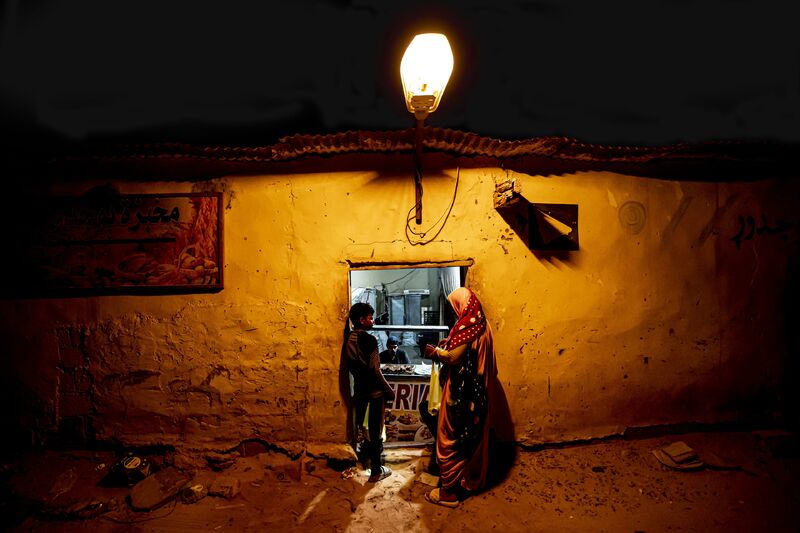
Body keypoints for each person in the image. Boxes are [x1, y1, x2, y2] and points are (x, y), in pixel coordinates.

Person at [421, 287, 496, 507]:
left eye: (455, 306)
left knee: (450, 438)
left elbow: (454, 357)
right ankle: (466, 479)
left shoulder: (468, 326)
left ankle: (448, 493)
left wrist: (435, 352)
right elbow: (468, 349)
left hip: (460, 394)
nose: (455, 311)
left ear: (461, 305)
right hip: (477, 394)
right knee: (469, 436)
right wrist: (450, 342)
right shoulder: (481, 324)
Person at [341, 302, 396, 482]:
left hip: (359, 391)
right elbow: (375, 369)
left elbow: (353, 368)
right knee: (375, 431)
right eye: (370, 318)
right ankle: (375, 471)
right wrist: (388, 389)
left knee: (363, 430)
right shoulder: (370, 340)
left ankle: (369, 465)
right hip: (374, 392)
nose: (372, 321)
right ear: (361, 320)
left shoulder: (349, 339)